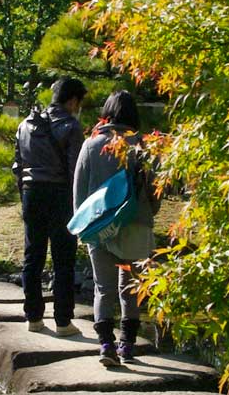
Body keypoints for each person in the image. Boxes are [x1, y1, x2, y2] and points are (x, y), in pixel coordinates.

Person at [73, 90, 159, 367]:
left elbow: (79, 191)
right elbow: (155, 192)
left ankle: (106, 345)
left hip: (100, 226)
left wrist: (82, 226)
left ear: (106, 112)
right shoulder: (144, 146)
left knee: (103, 288)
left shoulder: (91, 145)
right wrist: (146, 213)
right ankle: (128, 345)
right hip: (136, 224)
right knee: (131, 287)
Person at [14, 77, 88, 336]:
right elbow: (74, 172)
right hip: (59, 195)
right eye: (79, 102)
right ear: (73, 100)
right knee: (63, 259)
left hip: (30, 193)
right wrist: (78, 205)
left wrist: (23, 194)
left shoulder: (26, 124)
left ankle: (33, 318)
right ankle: (63, 321)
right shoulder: (71, 126)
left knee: (32, 256)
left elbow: (18, 165)